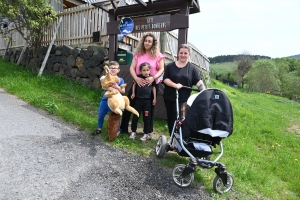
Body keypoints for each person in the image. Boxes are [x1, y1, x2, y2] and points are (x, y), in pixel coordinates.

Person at [120, 33, 165, 134]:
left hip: (151, 86)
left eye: (149, 41)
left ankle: (147, 130)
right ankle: (123, 129)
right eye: (145, 41)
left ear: (153, 43)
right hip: (137, 84)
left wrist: (153, 78)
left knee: (150, 109)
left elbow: (161, 69)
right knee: (128, 105)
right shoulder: (138, 54)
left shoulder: (158, 56)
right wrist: (136, 78)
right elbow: (132, 68)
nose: (147, 43)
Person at [163, 44, 206, 135]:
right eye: (181, 53)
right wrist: (175, 85)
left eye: (185, 53)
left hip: (183, 99)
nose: (183, 55)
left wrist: (204, 91)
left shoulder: (193, 69)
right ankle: (172, 137)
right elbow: (165, 79)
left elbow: (198, 82)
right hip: (169, 97)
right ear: (178, 54)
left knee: (181, 118)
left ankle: (180, 138)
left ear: (188, 54)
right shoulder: (170, 66)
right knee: (171, 117)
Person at [91, 61, 125, 135]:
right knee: (101, 114)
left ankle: (117, 131)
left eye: (114, 68)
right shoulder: (105, 78)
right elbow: (104, 86)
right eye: (111, 68)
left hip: (115, 102)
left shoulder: (120, 80)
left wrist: (117, 87)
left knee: (116, 116)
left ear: (118, 70)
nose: (112, 69)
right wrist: (110, 89)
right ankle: (99, 129)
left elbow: (123, 91)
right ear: (108, 69)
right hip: (105, 100)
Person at [129, 62, 157, 141]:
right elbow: (134, 85)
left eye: (147, 70)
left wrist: (154, 98)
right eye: (144, 70)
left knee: (147, 118)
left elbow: (154, 88)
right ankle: (133, 131)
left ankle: (146, 133)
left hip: (147, 102)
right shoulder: (138, 77)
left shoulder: (151, 78)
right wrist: (133, 93)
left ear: (150, 70)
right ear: (141, 71)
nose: (146, 72)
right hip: (138, 100)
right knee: (135, 116)